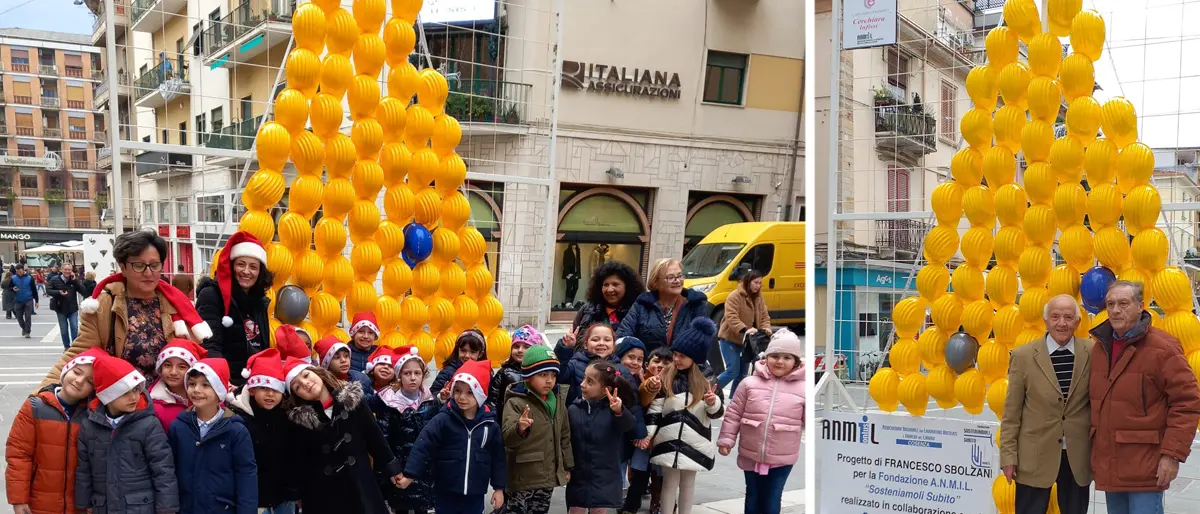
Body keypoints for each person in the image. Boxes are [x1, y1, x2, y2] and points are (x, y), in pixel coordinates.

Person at [42, 230, 211, 389]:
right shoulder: (104, 305)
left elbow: (196, 354)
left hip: (169, 400)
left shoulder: (176, 304)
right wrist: (46, 388)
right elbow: (79, 353)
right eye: (139, 265)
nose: (148, 273)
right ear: (123, 267)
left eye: (154, 265)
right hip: (121, 401)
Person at [1089, 281, 1200, 514]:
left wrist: (1172, 455)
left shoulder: (1163, 348)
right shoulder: (1099, 348)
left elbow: (1187, 403)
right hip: (1112, 464)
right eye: (1110, 304)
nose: (1115, 310)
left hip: (1146, 467)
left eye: (1123, 303)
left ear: (1141, 306)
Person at [999, 294, 1093, 514]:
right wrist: (1008, 456)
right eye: (1055, 317)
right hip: (1034, 456)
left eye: (1069, 317)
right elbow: (1011, 413)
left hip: (1077, 457)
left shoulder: (1091, 352)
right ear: (1045, 320)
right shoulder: (1023, 356)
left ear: (1078, 322)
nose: (1062, 323)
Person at [282, 358, 405, 513]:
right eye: (297, 386)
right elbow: (299, 460)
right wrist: (297, 492)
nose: (305, 384)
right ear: (296, 394)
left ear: (317, 372)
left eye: (306, 375)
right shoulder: (300, 421)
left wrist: (392, 468)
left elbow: (374, 437)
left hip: (361, 484)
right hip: (322, 495)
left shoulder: (353, 400)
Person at [399, 360, 507, 514]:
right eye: (457, 390)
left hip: (475, 493)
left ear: (481, 394)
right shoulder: (443, 419)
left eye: (470, 392)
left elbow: (498, 458)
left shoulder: (489, 425)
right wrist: (410, 474)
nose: (462, 397)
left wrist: (499, 488)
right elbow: (423, 444)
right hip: (445, 490)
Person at [75, 355, 180, 513]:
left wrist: (167, 508)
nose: (133, 397)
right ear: (107, 396)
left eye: (136, 390)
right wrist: (85, 503)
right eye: (124, 393)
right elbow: (84, 469)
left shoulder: (148, 424)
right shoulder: (90, 425)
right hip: (103, 506)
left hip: (140, 507)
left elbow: (163, 469)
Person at [717, 329, 805, 514]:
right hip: (751, 453)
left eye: (787, 357)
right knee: (753, 496)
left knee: (772, 497)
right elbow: (734, 413)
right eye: (775, 356)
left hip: (783, 457)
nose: (780, 361)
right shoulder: (749, 383)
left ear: (796, 362)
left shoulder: (803, 389)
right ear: (766, 358)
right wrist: (726, 440)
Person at [6, 348, 104, 514]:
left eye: (89, 381)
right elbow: (19, 455)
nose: (79, 381)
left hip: (78, 505)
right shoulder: (35, 407)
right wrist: (18, 498)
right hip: (39, 502)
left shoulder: (92, 415)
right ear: (66, 370)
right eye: (77, 372)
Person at [646, 317, 725, 514]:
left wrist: (712, 402)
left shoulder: (708, 379)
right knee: (669, 483)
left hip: (695, 440)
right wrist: (649, 434)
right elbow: (656, 407)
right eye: (676, 354)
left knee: (688, 483)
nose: (677, 359)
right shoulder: (667, 376)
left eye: (683, 356)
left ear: (696, 357)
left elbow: (717, 413)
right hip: (668, 439)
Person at [168, 358, 258, 513]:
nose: (196, 389)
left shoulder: (235, 430)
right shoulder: (179, 426)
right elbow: (171, 469)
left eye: (205, 385)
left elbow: (246, 474)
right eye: (192, 384)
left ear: (219, 391)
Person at [227, 349, 302, 514]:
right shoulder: (239, 419)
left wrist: (295, 490)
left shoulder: (289, 417)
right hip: (254, 498)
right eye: (263, 388)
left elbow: (295, 456)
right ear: (252, 390)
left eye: (275, 389)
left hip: (285, 496)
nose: (270, 394)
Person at [501, 344, 572, 514]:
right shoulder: (516, 401)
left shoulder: (558, 401)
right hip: (523, 476)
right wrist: (520, 428)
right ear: (528, 377)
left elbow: (564, 436)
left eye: (553, 375)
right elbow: (507, 438)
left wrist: (567, 466)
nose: (549, 380)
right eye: (543, 375)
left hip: (548, 476)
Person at [197, 232, 273, 387]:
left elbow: (263, 348)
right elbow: (209, 345)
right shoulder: (211, 295)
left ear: (260, 272)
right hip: (225, 385)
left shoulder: (260, 302)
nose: (246, 271)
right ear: (231, 267)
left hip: (254, 384)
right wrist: (222, 381)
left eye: (253, 267)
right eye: (241, 264)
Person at [370, 346, 438, 514]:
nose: (413, 378)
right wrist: (390, 470)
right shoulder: (389, 403)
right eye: (407, 373)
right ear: (399, 376)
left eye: (417, 373)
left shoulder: (430, 401)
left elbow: (434, 438)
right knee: (401, 507)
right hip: (398, 468)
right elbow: (383, 440)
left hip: (423, 468)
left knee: (422, 507)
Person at [566, 361, 638, 514]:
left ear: (607, 389)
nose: (583, 384)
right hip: (578, 473)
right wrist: (566, 466)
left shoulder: (613, 411)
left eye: (590, 382)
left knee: (599, 509)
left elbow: (629, 426)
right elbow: (566, 441)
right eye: (584, 378)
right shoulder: (573, 409)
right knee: (575, 509)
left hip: (605, 474)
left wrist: (619, 411)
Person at [617, 258, 709, 355]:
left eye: (680, 276)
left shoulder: (695, 304)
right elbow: (623, 337)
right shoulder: (643, 304)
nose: (677, 281)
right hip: (649, 366)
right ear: (656, 282)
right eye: (670, 277)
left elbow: (704, 342)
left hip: (682, 367)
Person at [625, 346, 673, 514]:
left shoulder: (675, 383)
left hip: (663, 437)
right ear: (647, 364)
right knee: (638, 473)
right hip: (643, 436)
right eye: (656, 361)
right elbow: (642, 399)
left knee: (661, 475)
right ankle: (631, 504)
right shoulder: (641, 380)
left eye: (666, 363)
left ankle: (658, 503)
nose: (660, 365)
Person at [563, 261, 646, 348]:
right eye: (605, 285)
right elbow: (573, 342)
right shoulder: (587, 310)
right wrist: (567, 346)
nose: (609, 289)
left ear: (628, 287)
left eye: (615, 284)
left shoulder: (637, 312)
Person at [717, 270, 773, 395]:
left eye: (760, 283)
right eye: (755, 282)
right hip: (730, 339)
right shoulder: (735, 296)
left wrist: (766, 328)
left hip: (748, 341)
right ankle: (709, 390)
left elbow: (764, 315)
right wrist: (745, 329)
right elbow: (731, 316)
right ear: (748, 282)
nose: (758, 286)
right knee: (733, 371)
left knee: (742, 374)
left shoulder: (759, 298)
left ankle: (734, 399)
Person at [556, 323, 636, 405]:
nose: (601, 343)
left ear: (614, 345)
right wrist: (565, 348)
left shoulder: (622, 370)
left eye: (607, 340)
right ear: (586, 344)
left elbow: (634, 405)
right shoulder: (575, 363)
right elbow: (558, 377)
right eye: (595, 340)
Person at [151, 339, 208, 431]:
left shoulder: (208, 398)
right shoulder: (153, 406)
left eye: (182, 367)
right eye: (168, 365)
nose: (173, 372)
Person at [489, 324, 545, 411]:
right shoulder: (504, 372)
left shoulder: (542, 372)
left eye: (526, 347)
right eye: (516, 346)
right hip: (509, 418)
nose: (520, 350)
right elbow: (493, 400)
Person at [431, 329, 487, 397]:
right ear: (458, 350)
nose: (467, 355)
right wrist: (442, 397)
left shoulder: (486, 373)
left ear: (480, 354)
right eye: (463, 351)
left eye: (472, 352)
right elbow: (432, 395)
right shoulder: (448, 372)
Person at [48, 266, 88, 349]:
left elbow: (84, 291)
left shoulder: (73, 280)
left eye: (69, 270)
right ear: (61, 270)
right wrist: (58, 292)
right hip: (60, 308)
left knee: (74, 328)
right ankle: (66, 347)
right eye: (65, 269)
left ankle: (74, 347)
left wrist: (76, 281)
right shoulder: (55, 279)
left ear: (71, 271)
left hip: (72, 308)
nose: (67, 271)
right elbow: (48, 290)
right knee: (64, 330)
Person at [11, 264, 37, 338]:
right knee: (19, 317)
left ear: (23, 270)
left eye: (20, 271)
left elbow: (34, 290)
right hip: (18, 300)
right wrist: (12, 289)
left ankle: (27, 331)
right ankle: (24, 327)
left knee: (28, 316)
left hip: (28, 299)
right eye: (17, 272)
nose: (19, 273)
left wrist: (36, 301)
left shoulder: (29, 278)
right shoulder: (13, 278)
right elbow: (9, 287)